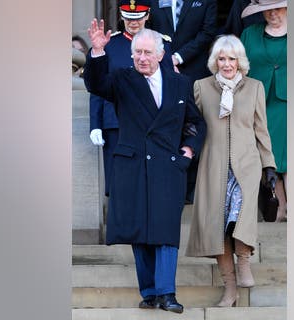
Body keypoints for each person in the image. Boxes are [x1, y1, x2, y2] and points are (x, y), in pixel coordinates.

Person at [84, 19, 206, 313]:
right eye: (137, 52)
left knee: (165, 231)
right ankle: (150, 291)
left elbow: (195, 122)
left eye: (147, 53)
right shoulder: (122, 80)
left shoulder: (180, 83)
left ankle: (167, 293)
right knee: (138, 231)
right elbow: (95, 84)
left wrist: (188, 151)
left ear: (161, 55)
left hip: (168, 167)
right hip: (133, 166)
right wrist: (98, 52)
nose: (141, 58)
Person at [185, 35, 277, 307]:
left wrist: (268, 164)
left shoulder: (255, 87)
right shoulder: (201, 87)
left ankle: (244, 260)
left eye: (232, 59)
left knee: (240, 212)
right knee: (218, 227)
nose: (227, 64)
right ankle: (230, 288)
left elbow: (261, 129)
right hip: (214, 166)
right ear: (215, 61)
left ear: (240, 61)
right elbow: (193, 125)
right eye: (222, 59)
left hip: (247, 164)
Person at [88, 0, 173, 196]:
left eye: (137, 18)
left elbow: (170, 86)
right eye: (128, 18)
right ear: (121, 16)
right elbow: (98, 87)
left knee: (150, 186)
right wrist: (95, 123)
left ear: (148, 16)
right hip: (115, 123)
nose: (133, 23)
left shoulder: (162, 44)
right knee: (119, 185)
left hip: (151, 125)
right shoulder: (110, 45)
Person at [148, 0, 218, 204]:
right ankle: (167, 188)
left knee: (194, 126)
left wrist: (178, 57)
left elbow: (208, 32)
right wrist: (164, 59)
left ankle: (192, 189)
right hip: (159, 71)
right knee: (166, 126)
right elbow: (148, 32)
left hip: (195, 73)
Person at [241, 0, 287, 222]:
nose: (272, 13)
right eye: (267, 9)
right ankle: (280, 208)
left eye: (277, 8)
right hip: (260, 103)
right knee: (271, 156)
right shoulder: (250, 34)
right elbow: (240, 66)